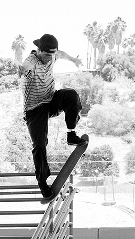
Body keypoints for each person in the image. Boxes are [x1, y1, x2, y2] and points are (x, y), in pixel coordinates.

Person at [17, 33, 86, 199]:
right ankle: (42, 183)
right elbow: (24, 68)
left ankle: (71, 134)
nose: (50, 59)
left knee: (71, 95)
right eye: (47, 55)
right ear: (39, 50)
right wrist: (21, 72)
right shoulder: (31, 62)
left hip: (51, 100)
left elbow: (63, 54)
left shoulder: (54, 55)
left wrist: (74, 61)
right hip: (34, 109)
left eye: (52, 55)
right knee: (39, 145)